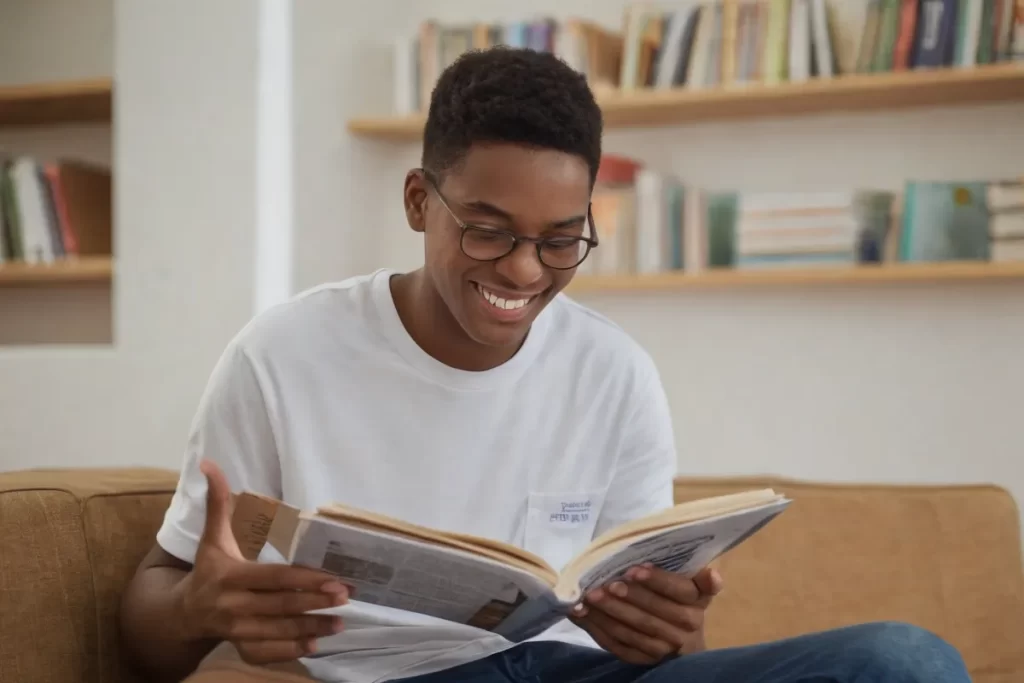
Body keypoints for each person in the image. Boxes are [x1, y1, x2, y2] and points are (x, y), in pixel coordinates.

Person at [119, 47, 971, 683]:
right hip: (400, 680)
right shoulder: (282, 355)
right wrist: (198, 608)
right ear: (420, 200)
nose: (526, 270)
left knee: (906, 660)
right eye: (488, 229)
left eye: (562, 239)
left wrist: (672, 633)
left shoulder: (615, 371)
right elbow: (152, 613)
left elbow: (667, 647)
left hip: (574, 675)